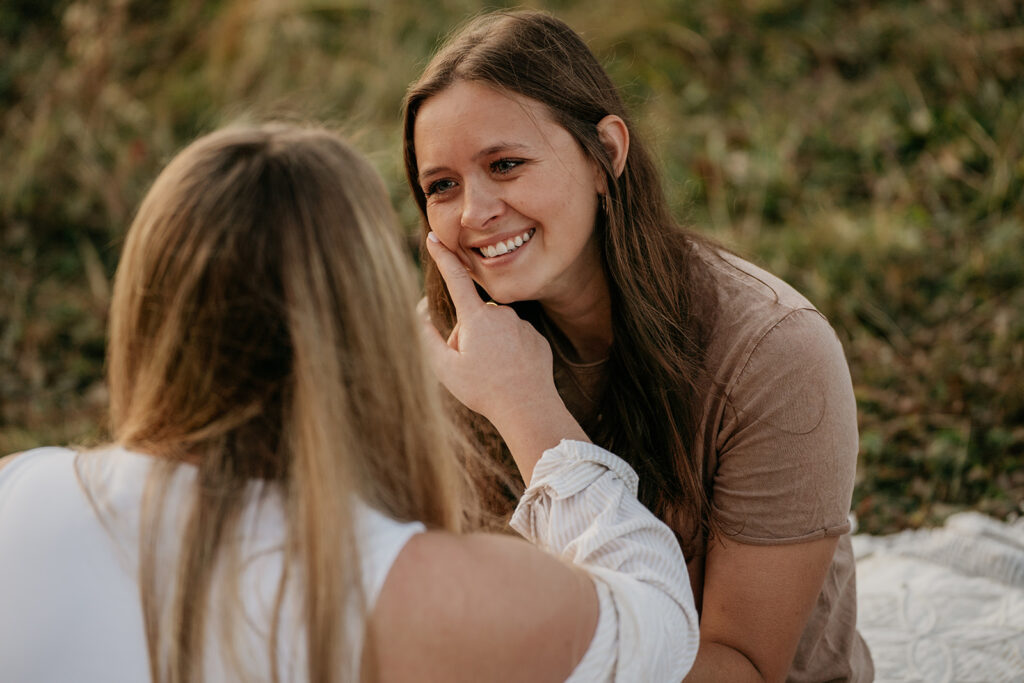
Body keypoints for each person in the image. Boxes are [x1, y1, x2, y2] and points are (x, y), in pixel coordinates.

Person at [0, 124, 699, 682]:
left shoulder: (20, 490)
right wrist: (521, 401)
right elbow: (660, 622)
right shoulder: (423, 592)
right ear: (362, 314)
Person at [405, 10, 873, 682]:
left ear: (607, 156)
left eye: (505, 164)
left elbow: (742, 670)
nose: (473, 213)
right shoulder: (454, 345)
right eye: (441, 186)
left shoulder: (775, 355)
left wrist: (521, 405)